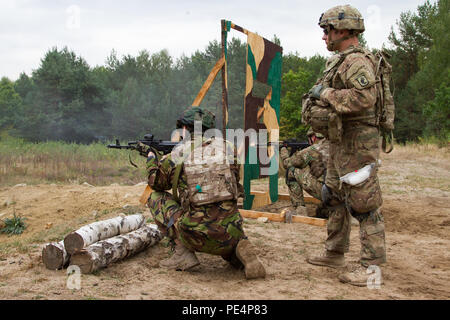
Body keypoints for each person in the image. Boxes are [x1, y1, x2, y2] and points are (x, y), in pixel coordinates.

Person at [303, 5, 387, 286]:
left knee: (365, 206)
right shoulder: (341, 61)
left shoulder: (357, 62)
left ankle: (371, 269)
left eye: (327, 31)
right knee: (334, 196)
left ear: (344, 30)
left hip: (357, 145)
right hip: (339, 144)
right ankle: (335, 251)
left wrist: (325, 93)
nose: (324, 37)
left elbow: (365, 98)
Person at [143, 106, 266, 280]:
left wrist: (151, 158)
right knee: (222, 219)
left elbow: (155, 183)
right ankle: (238, 250)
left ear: (185, 129)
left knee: (156, 197)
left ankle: (182, 253)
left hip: (194, 236)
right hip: (231, 233)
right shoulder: (228, 148)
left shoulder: (177, 154)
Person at [280, 128, 330, 218]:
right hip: (345, 193)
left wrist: (283, 151)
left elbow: (287, 163)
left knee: (291, 170)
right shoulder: (338, 146)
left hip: (326, 191)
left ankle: (300, 208)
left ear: (313, 137)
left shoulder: (313, 149)